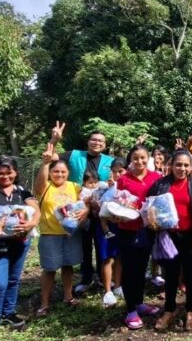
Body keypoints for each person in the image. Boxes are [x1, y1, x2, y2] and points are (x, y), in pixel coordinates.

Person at [0, 157, 41, 341]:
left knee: (13, 279)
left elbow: (36, 209)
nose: (5, 176)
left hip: (20, 242)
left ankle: (9, 313)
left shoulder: (22, 191)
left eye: (9, 172)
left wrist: (32, 223)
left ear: (16, 173)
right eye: (0, 173)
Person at [48, 122, 114, 294]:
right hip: (78, 210)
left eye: (100, 141)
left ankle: (103, 278)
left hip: (101, 212)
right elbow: (51, 157)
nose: (97, 143)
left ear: (105, 145)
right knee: (84, 245)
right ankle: (86, 278)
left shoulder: (110, 161)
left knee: (102, 245)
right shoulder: (74, 155)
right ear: (88, 141)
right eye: (94, 139)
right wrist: (54, 140)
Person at [149, 150, 192, 331]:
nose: (182, 168)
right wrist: (152, 220)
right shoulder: (160, 184)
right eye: (178, 164)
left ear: (191, 167)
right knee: (171, 274)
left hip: (191, 236)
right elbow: (150, 206)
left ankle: (191, 310)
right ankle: (169, 310)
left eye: (186, 165)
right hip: (168, 237)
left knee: (190, 274)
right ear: (171, 165)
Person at [34, 143, 88, 317]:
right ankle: (44, 303)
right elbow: (38, 186)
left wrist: (86, 211)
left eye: (63, 172)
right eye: (56, 171)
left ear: (68, 173)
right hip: (50, 234)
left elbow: (87, 201)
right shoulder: (45, 186)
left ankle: (68, 296)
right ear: (50, 172)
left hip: (71, 233)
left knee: (68, 266)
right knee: (49, 269)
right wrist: (45, 163)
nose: (59, 174)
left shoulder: (75, 186)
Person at [116, 144, 163, 330]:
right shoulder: (124, 179)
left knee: (142, 267)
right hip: (127, 229)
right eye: (135, 158)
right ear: (130, 160)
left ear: (148, 158)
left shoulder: (156, 177)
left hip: (147, 229)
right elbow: (118, 202)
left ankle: (139, 303)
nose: (139, 161)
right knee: (129, 269)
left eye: (143, 157)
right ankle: (130, 310)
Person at [97, 158, 128, 307]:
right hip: (107, 227)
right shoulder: (106, 188)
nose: (117, 174)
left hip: (122, 226)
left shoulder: (128, 187)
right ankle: (108, 290)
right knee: (107, 258)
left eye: (121, 171)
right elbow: (100, 207)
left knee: (119, 256)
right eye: (114, 171)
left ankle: (118, 286)